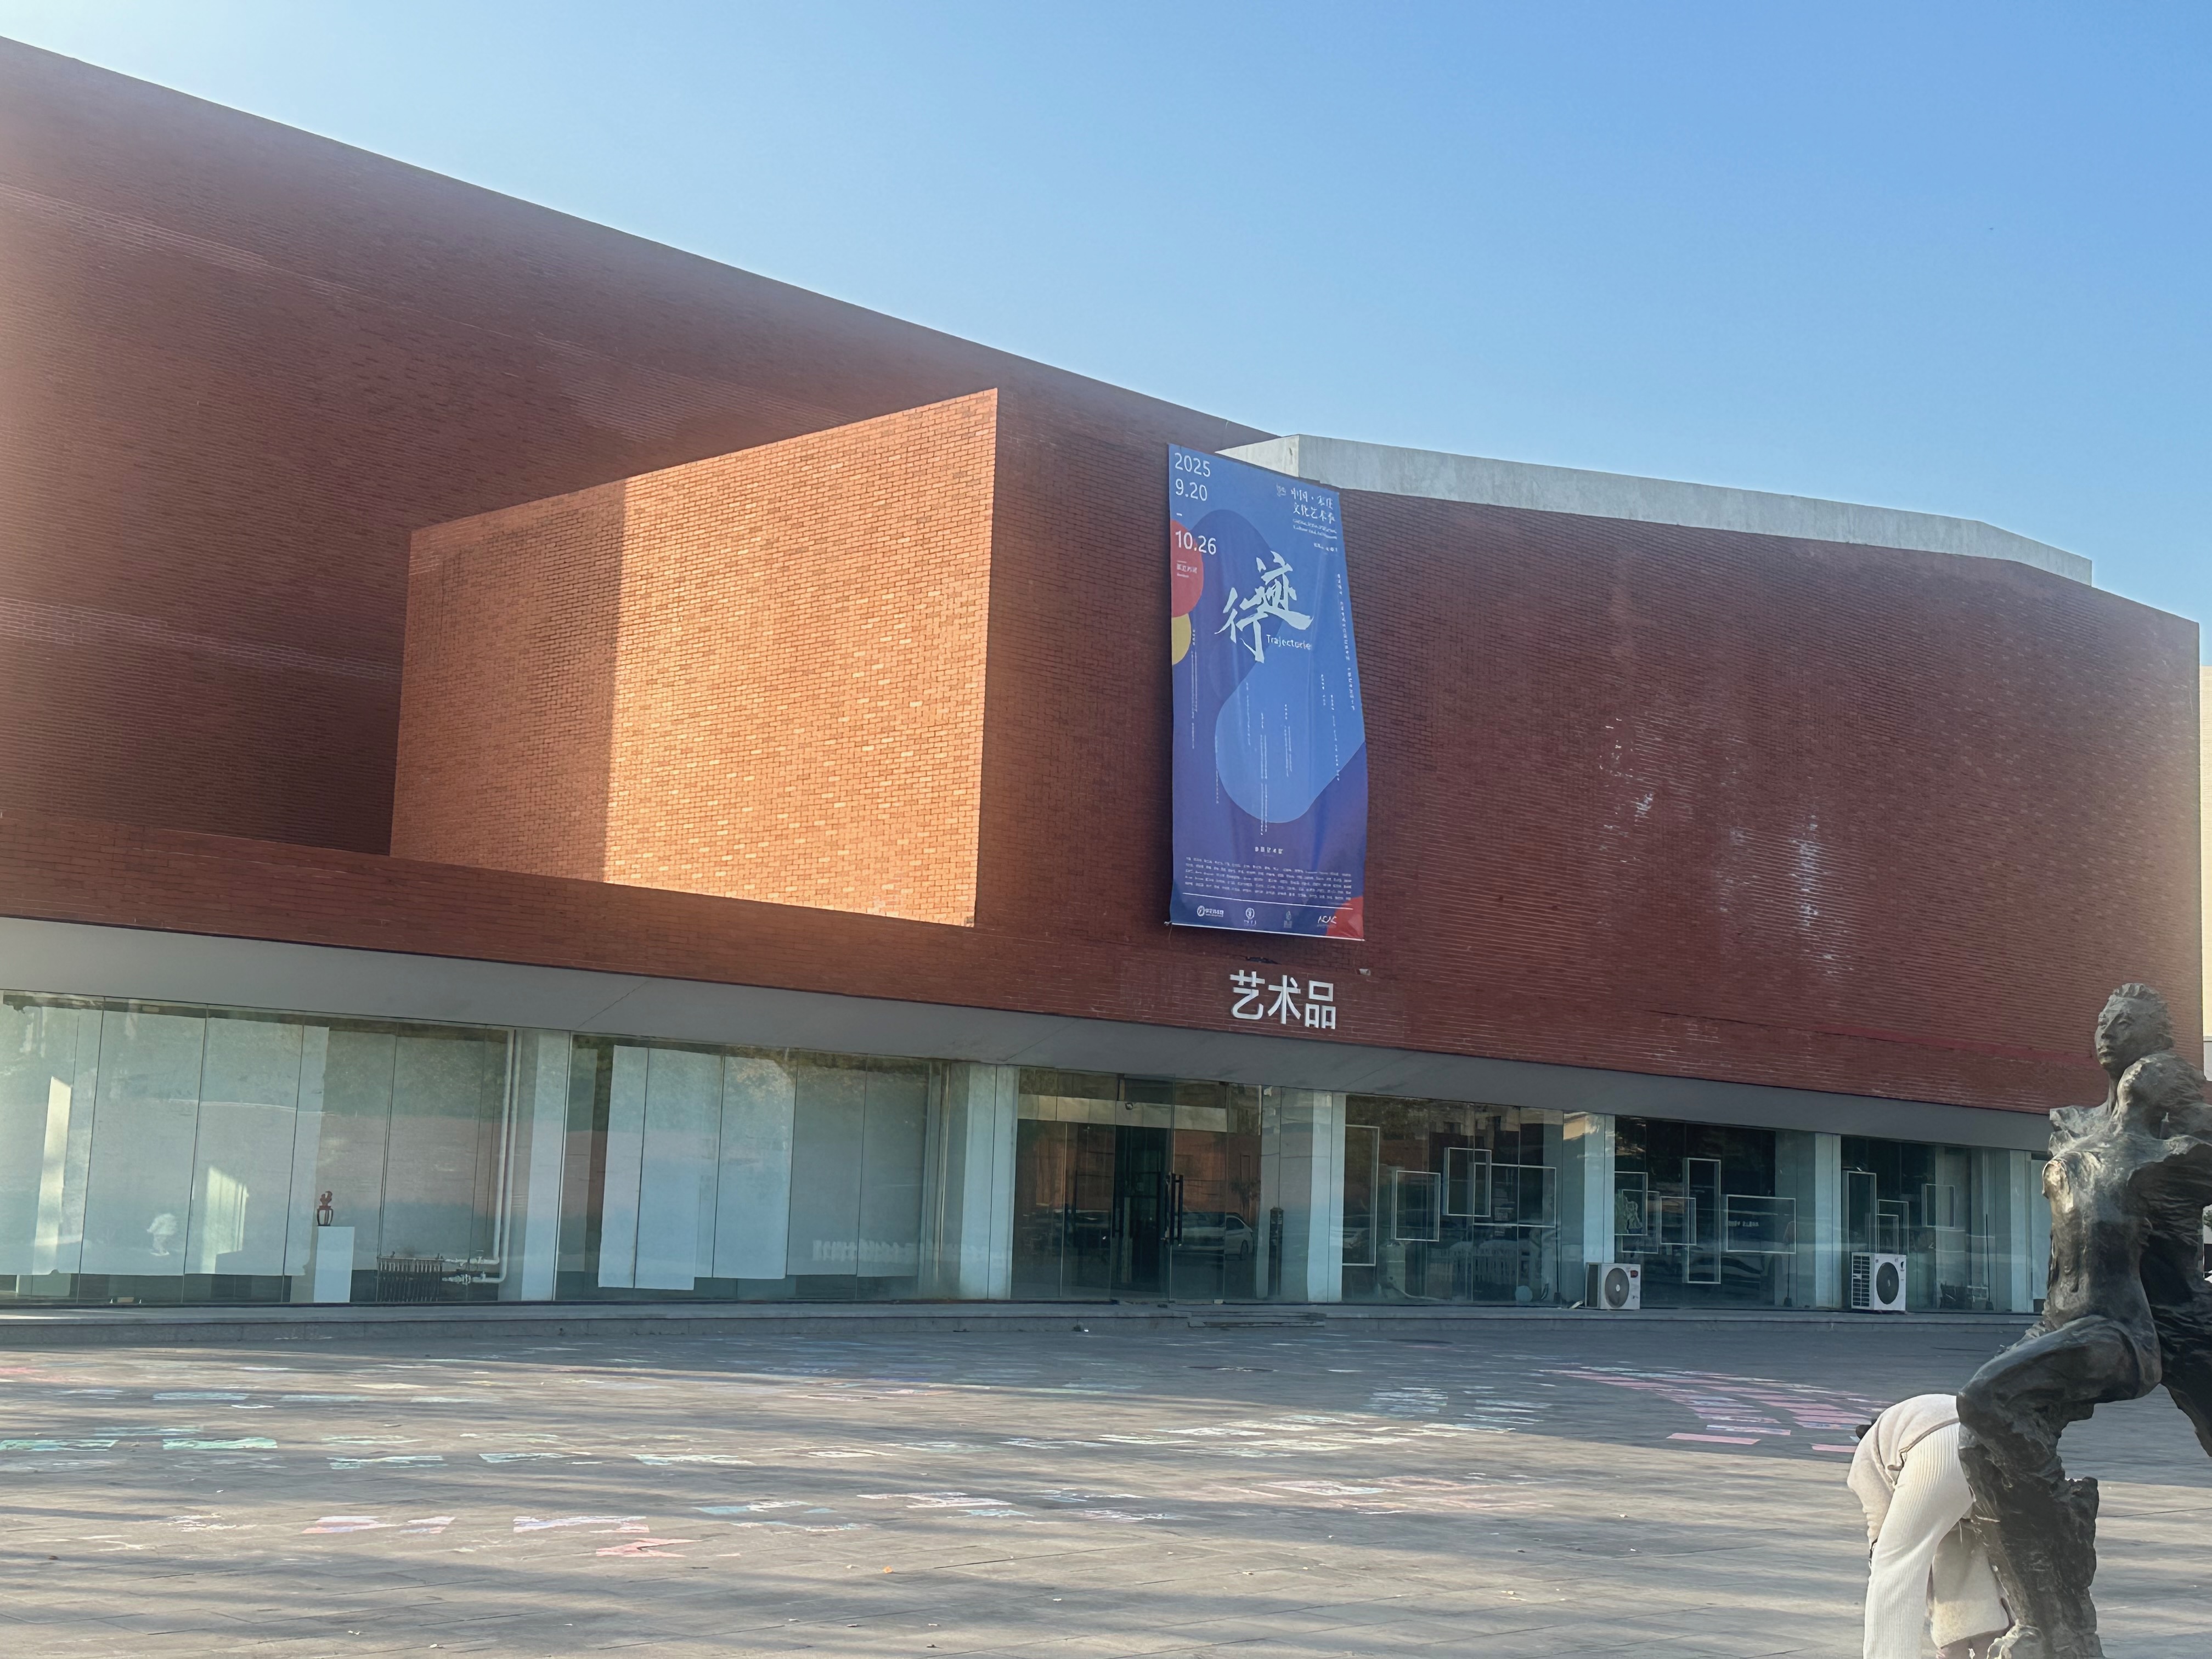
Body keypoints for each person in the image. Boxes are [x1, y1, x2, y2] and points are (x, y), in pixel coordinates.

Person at [1956, 985, 2212, 1658]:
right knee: (1978, 1443)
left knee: (1987, 1403)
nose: (2108, 1030)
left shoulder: (2171, 1145)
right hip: (2072, 1315)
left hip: (2160, 1316)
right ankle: (2048, 1623)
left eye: (2125, 1022)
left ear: (2156, 1044)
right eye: (2103, 1019)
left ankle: (2066, 1520)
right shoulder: (2072, 1125)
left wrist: (2186, 1108)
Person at [1850, 1392, 2007, 1658]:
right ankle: (1976, 1638)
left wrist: (1878, 1556)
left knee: (1894, 1564)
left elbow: (1880, 1528)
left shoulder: (1867, 1454)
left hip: (1937, 1447)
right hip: (1994, 1449)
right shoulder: (1906, 1417)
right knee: (1963, 1548)